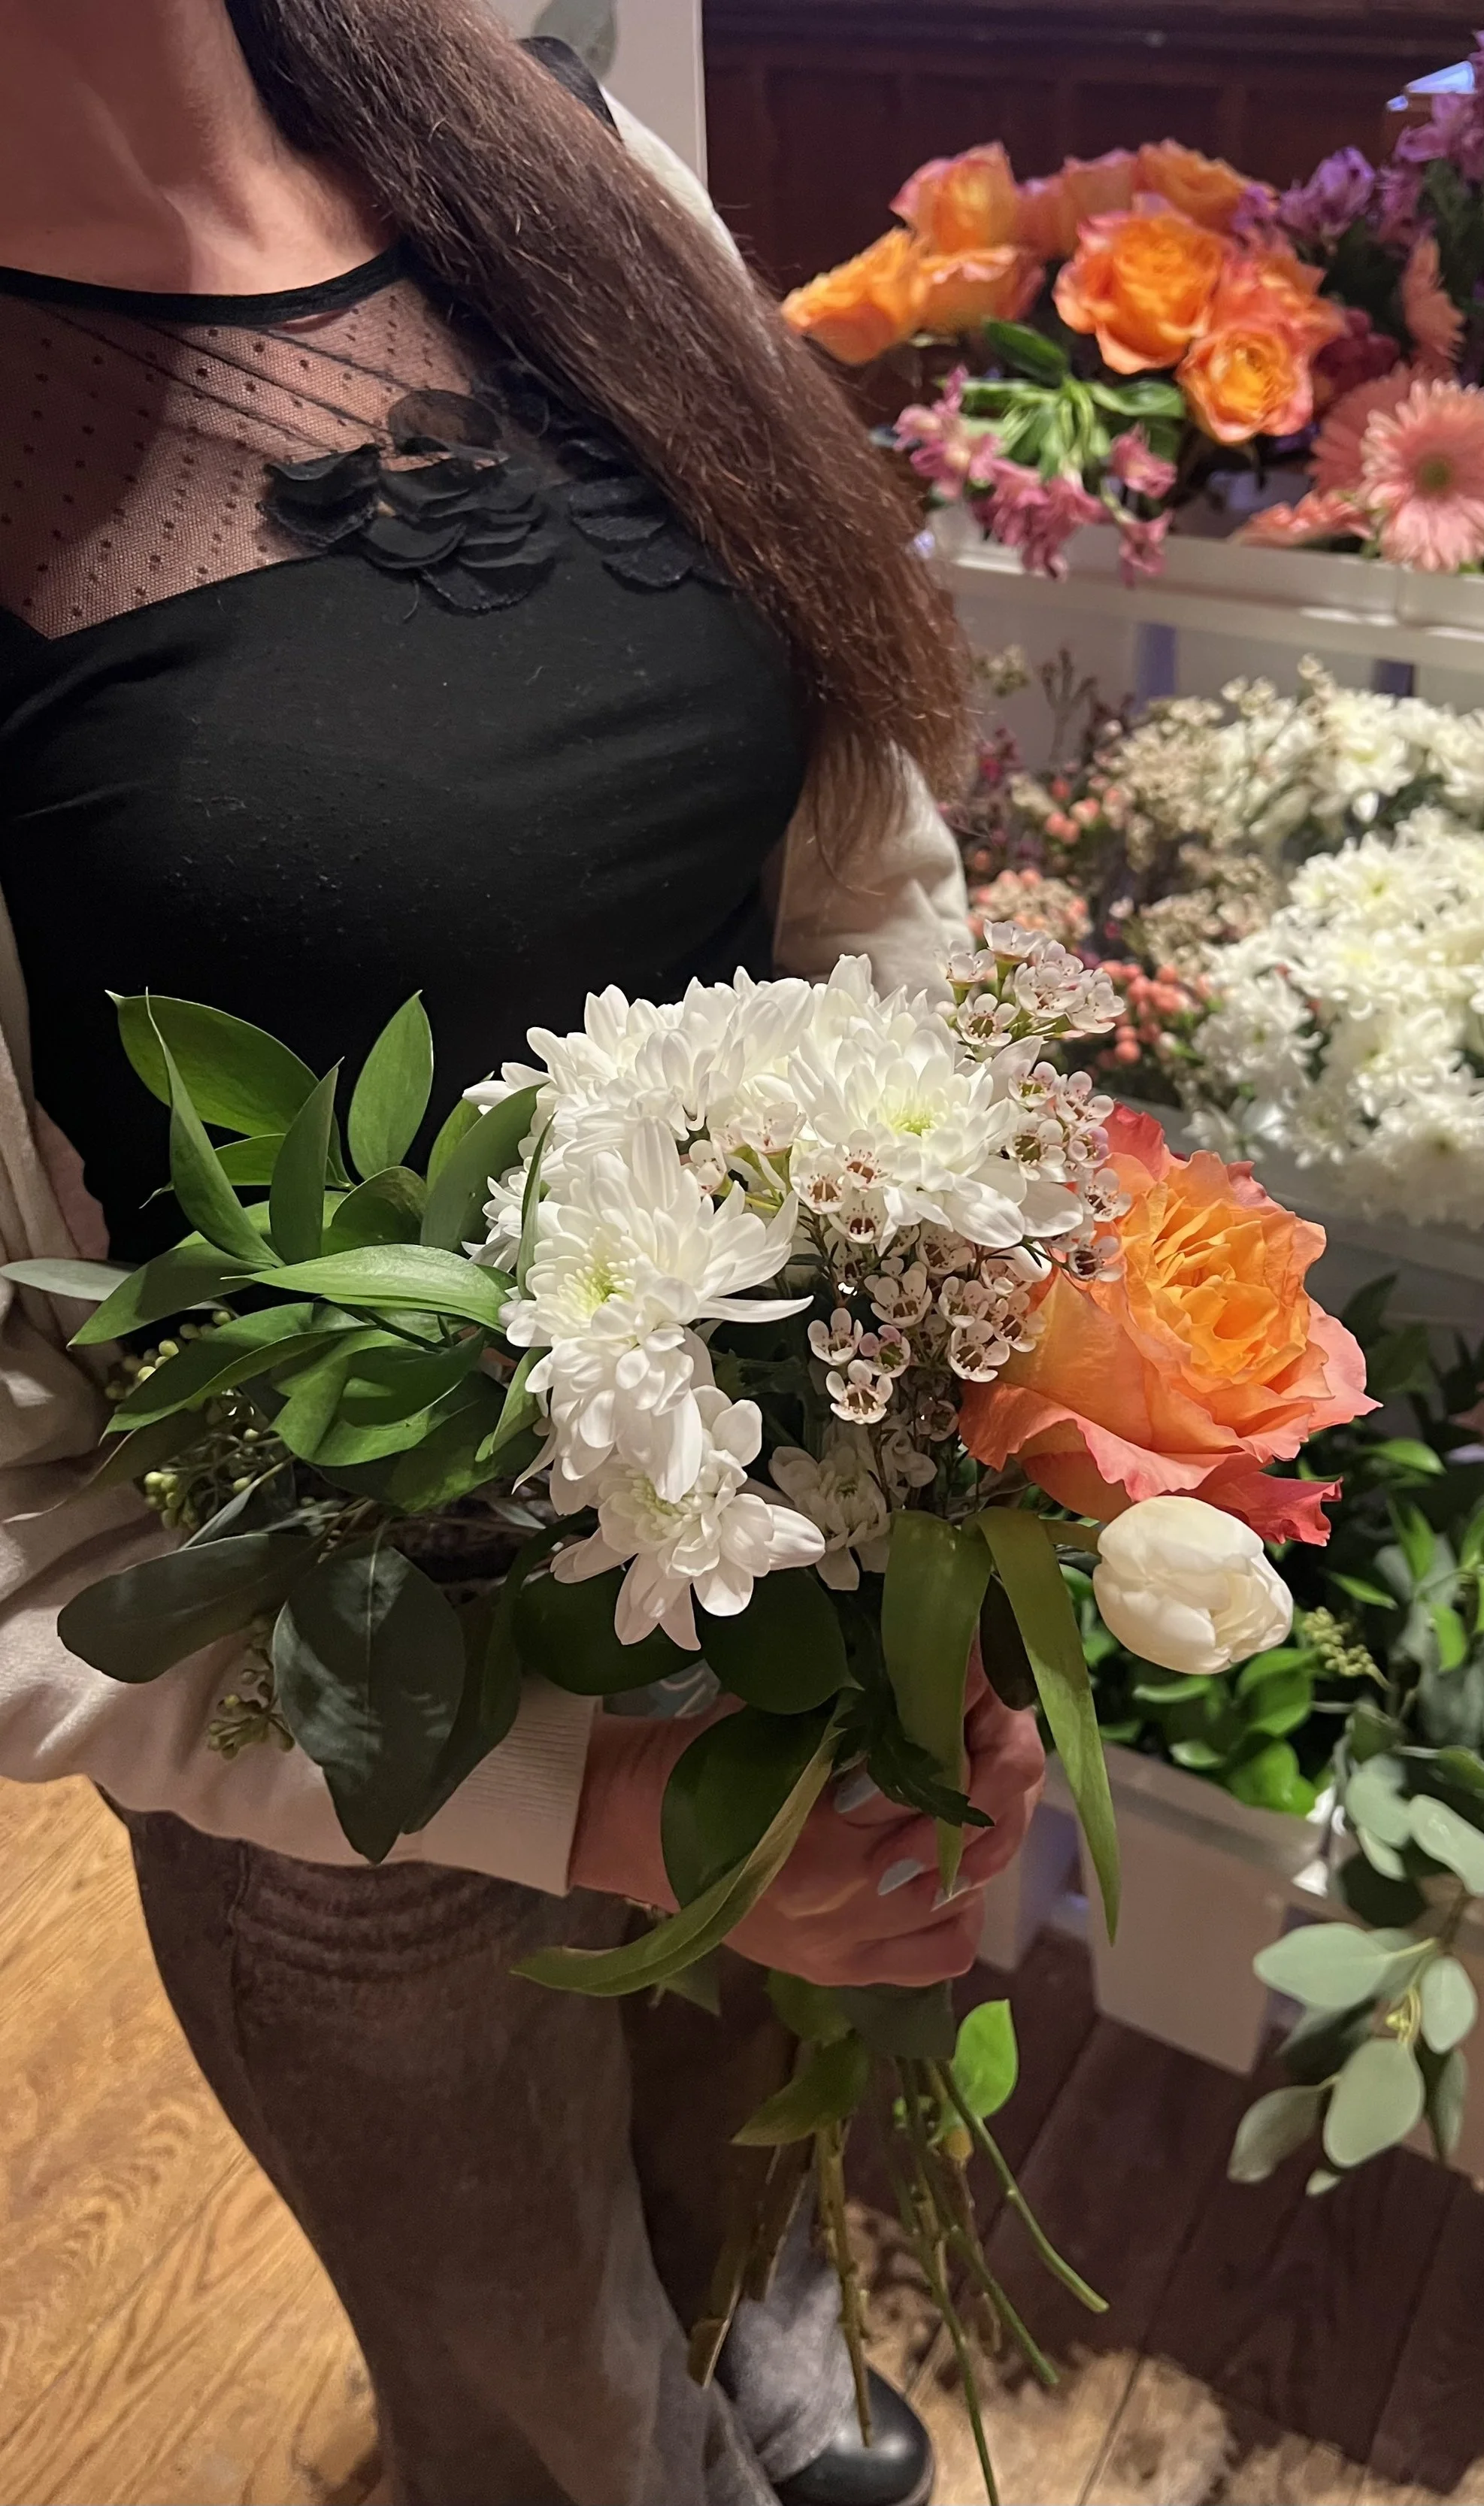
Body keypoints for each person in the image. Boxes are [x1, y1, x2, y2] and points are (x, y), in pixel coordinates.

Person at [0, 6, 1046, 2503]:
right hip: (349, 1719)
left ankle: (770, 2371)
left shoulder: (543, 142)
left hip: (778, 1538)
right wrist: (581, 1802)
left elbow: (855, 826)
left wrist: (976, 1345)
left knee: (765, 2127)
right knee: (536, 2395)